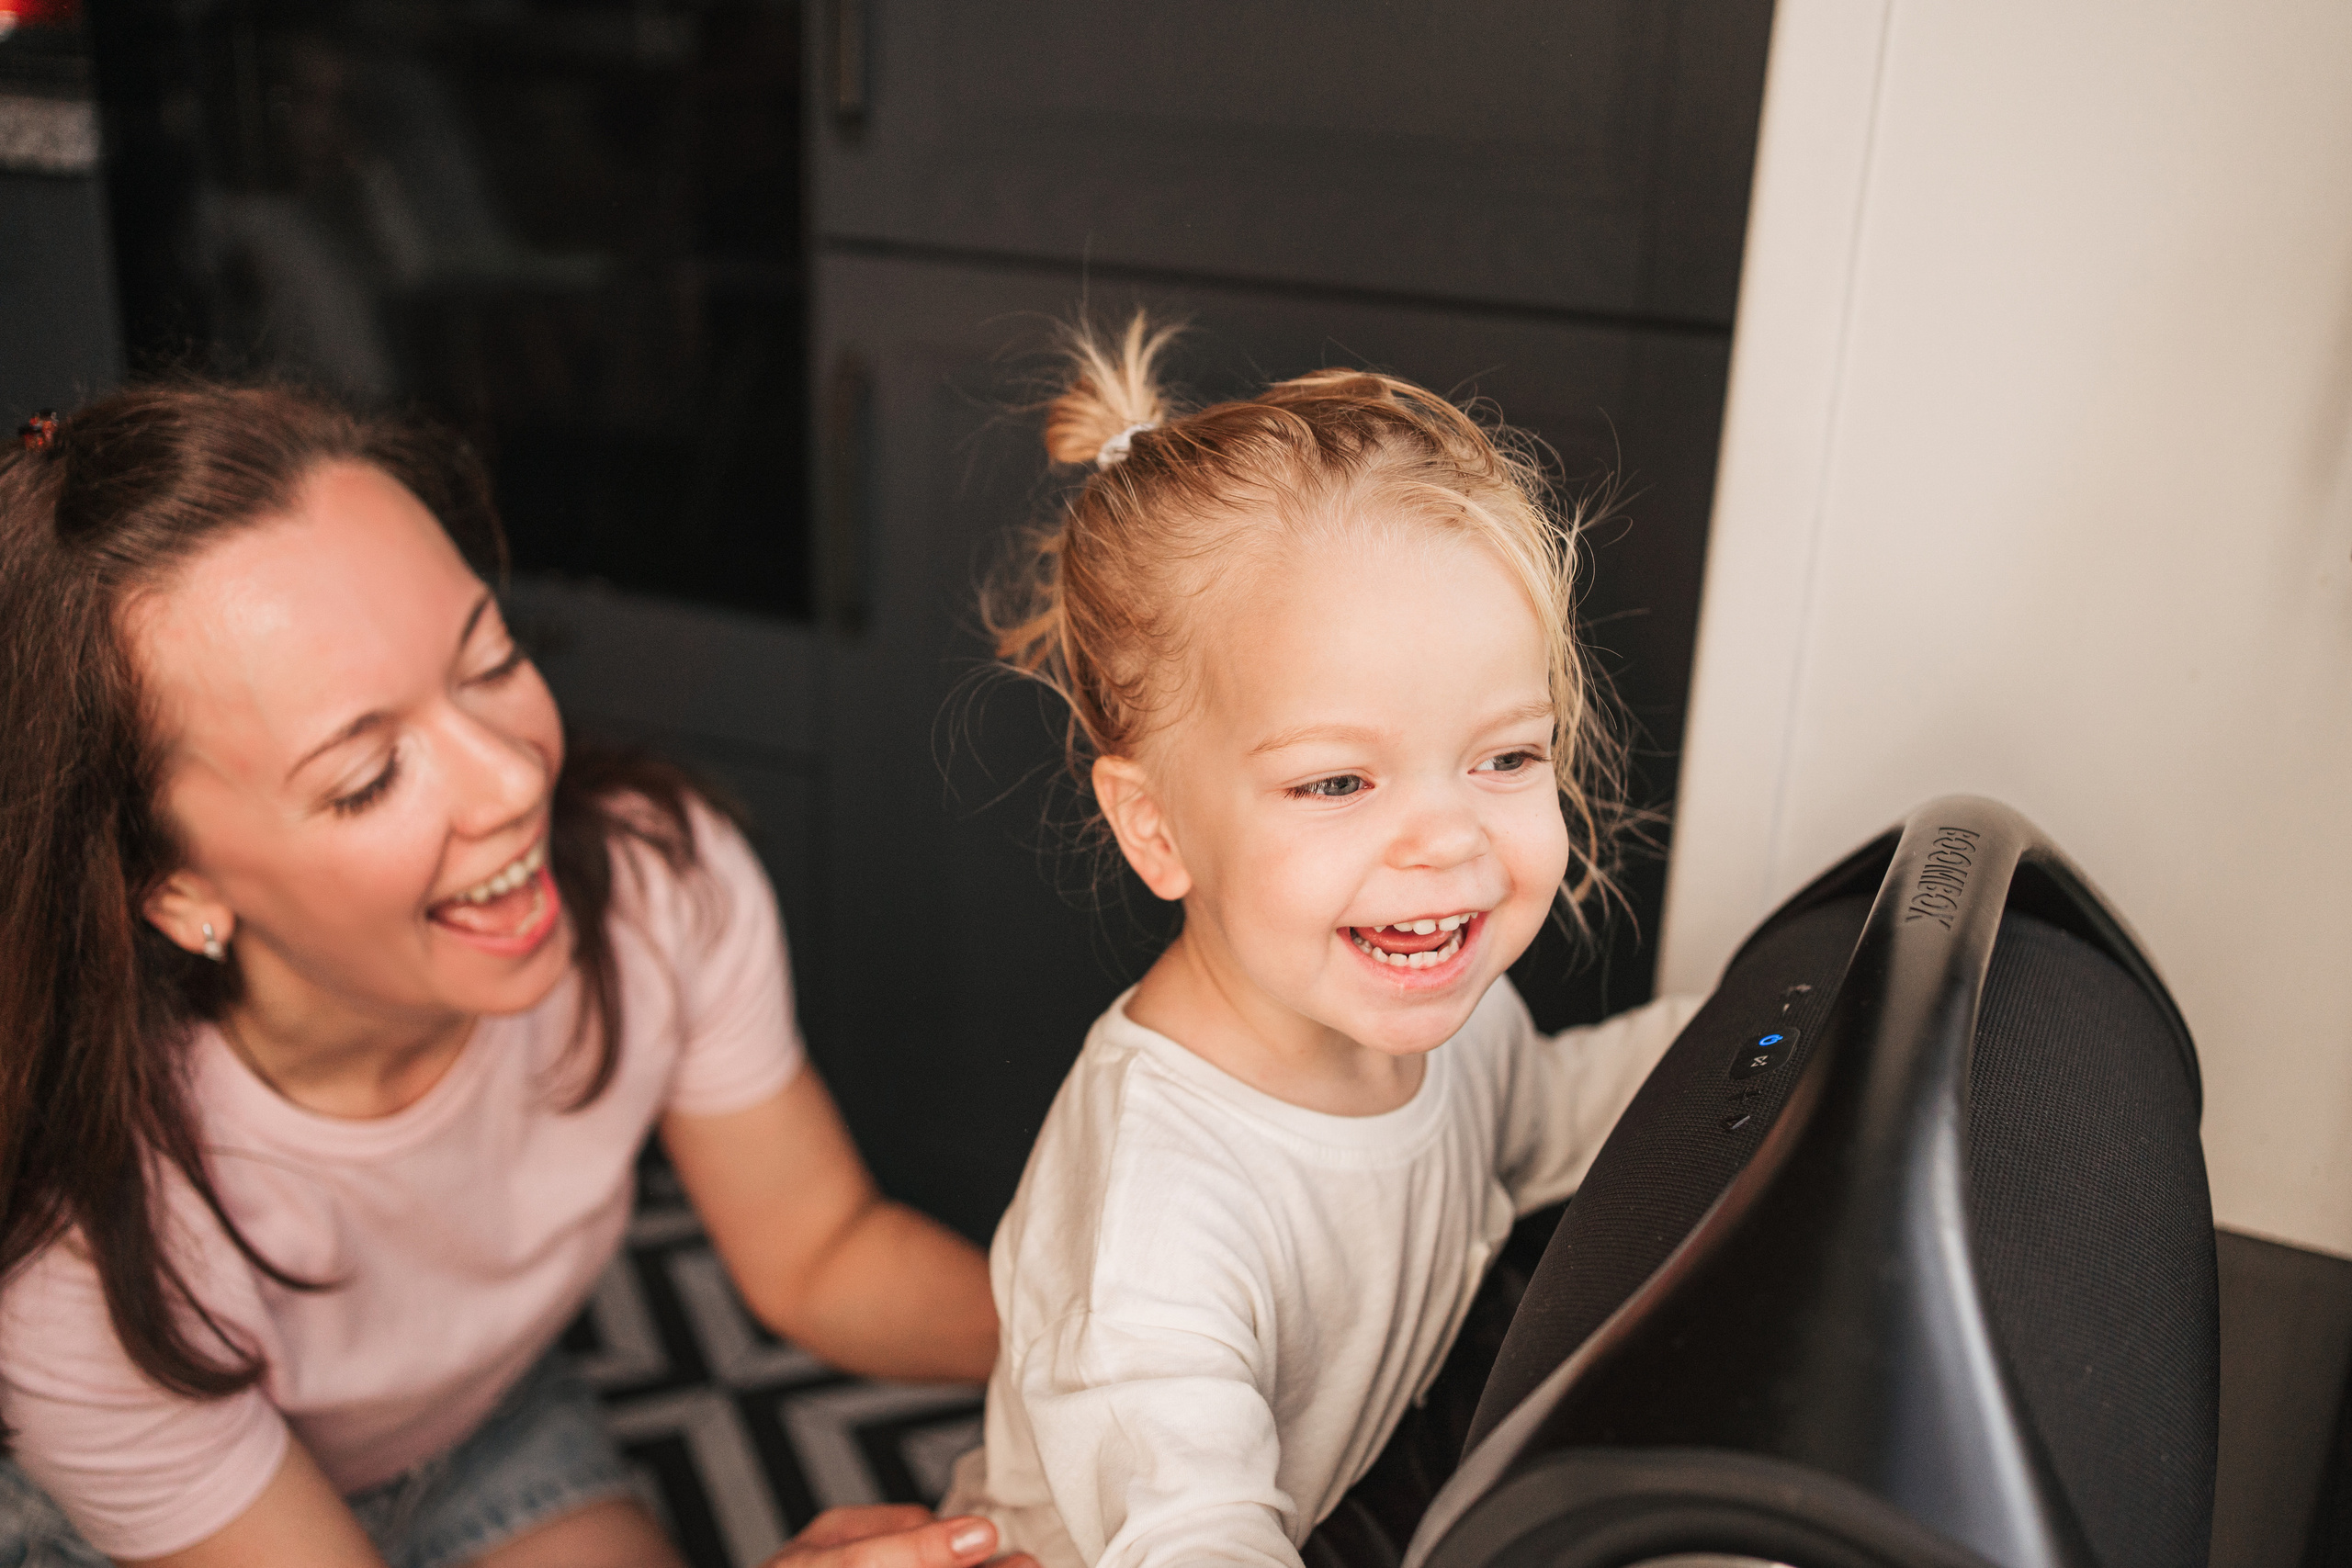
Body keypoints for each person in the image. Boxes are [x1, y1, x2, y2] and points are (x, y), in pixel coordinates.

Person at [0, 386, 1029, 1568]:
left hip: (485, 1428)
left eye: (489, 662)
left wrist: (1126, 1339)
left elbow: (821, 1252)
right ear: (173, 888)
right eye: (367, 776)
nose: (510, 782)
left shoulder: (654, 883)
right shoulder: (77, 1269)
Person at [939, 320, 1702, 1568]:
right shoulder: (1156, 1216)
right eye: (1340, 781)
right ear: (1157, 824)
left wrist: (1775, 1035)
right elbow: (1195, 1534)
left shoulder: (1432, 1007)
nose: (1447, 845)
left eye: (1507, 756)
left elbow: (1548, 1113)